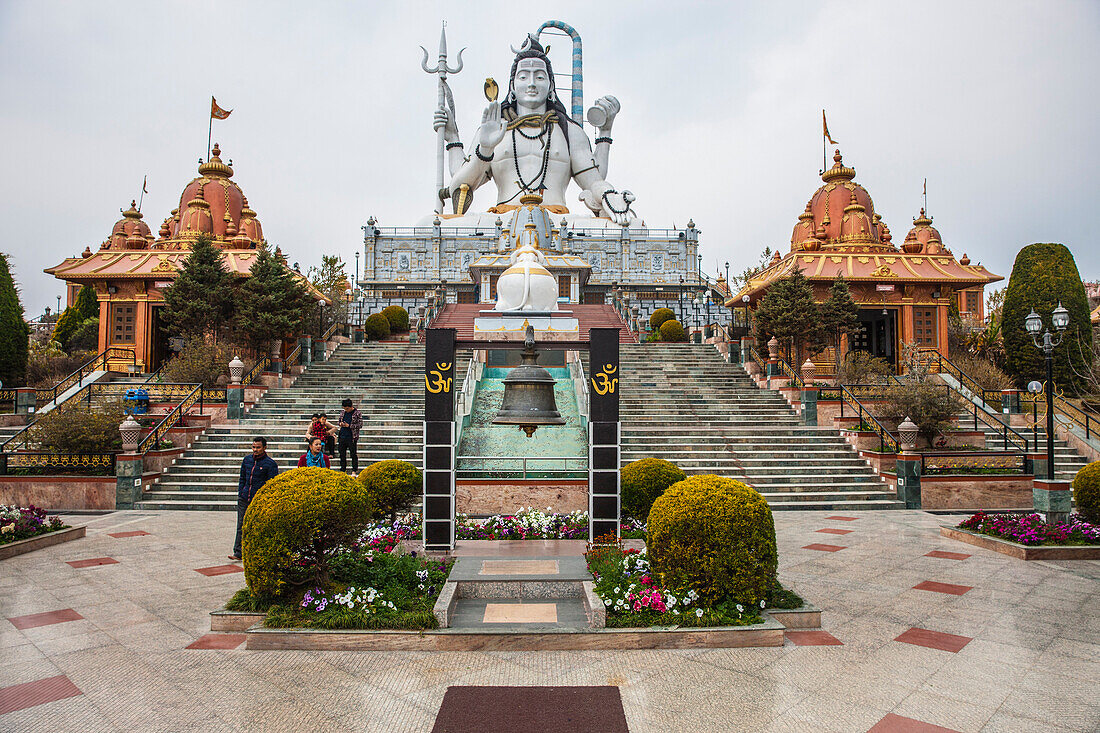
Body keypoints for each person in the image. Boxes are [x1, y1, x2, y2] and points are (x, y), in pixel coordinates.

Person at [231, 437, 279, 561]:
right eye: (253, 447)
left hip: (258, 500)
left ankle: (257, 551)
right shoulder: (247, 460)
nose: (255, 450)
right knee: (241, 525)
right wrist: (241, 492)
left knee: (258, 526)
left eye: (258, 447)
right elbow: (242, 478)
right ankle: (238, 552)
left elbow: (272, 484)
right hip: (244, 497)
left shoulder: (270, 464)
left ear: (264, 448)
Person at [337, 398, 363, 476]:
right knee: (342, 454)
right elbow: (339, 421)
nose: (346, 410)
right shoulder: (343, 413)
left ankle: (354, 470)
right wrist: (341, 424)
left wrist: (349, 426)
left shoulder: (357, 413)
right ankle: (343, 469)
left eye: (347, 408)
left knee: (353, 454)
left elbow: (360, 425)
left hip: (352, 436)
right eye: (344, 408)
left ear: (351, 406)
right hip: (342, 435)